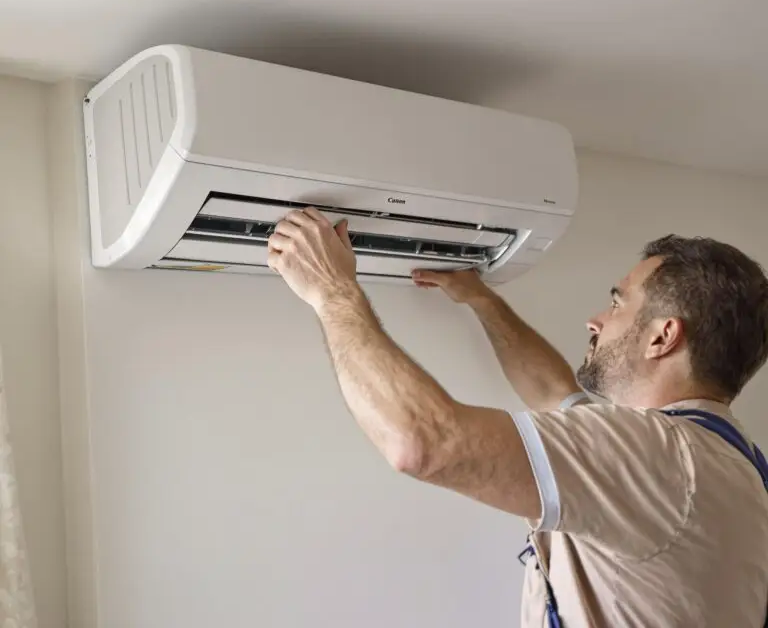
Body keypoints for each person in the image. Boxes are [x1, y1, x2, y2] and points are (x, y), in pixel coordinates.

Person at [266, 208, 768, 627]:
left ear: (663, 336)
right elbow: (556, 395)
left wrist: (332, 291)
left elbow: (424, 443)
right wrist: (482, 300)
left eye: (617, 303)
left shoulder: (658, 455)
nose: (596, 319)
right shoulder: (720, 457)